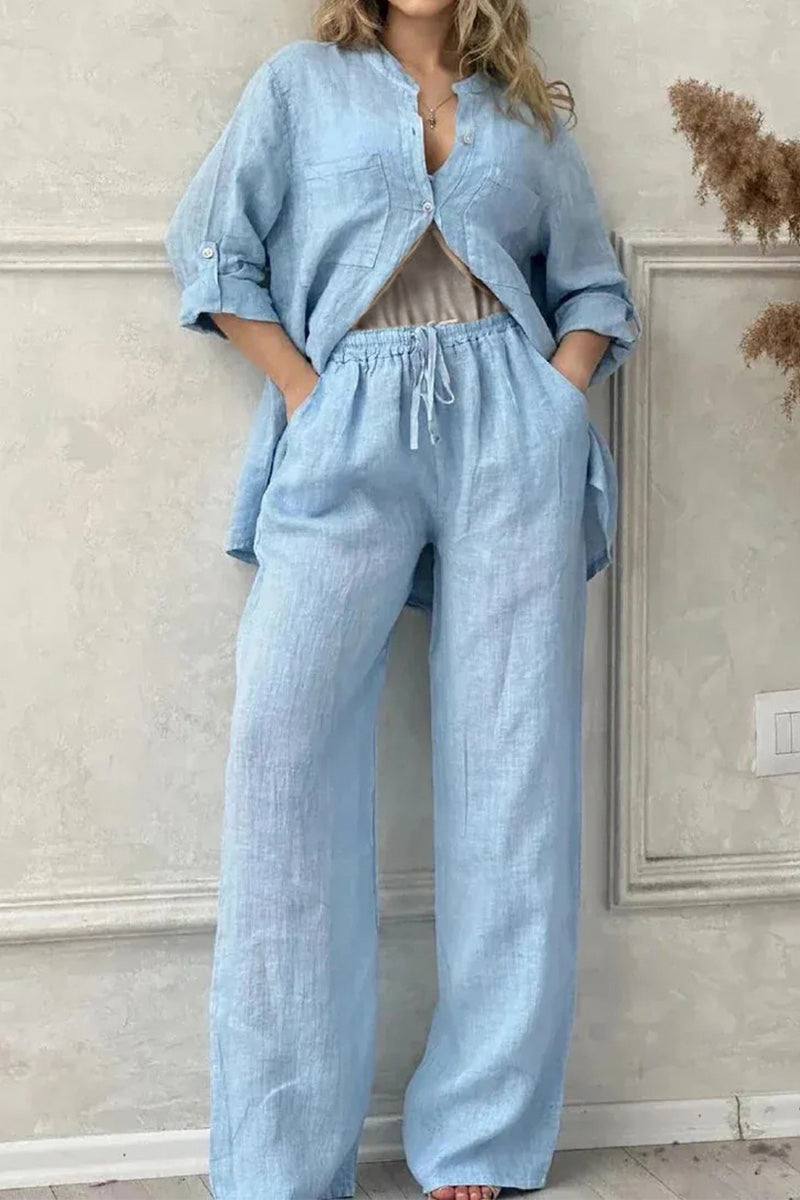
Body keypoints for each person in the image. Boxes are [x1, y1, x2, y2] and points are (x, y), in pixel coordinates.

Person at [164, 1, 642, 1197]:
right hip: (347, 421)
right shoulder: (298, 86)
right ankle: (279, 1158)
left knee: (512, 776)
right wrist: (304, 392)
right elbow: (212, 248)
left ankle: (478, 1133)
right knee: (281, 764)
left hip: (509, 434)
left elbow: (591, 286)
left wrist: (553, 402)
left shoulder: (524, 113)